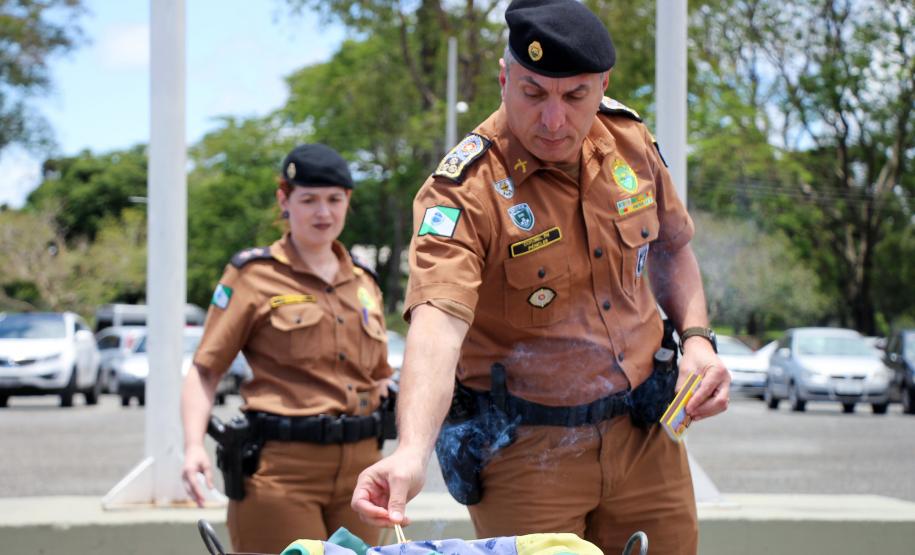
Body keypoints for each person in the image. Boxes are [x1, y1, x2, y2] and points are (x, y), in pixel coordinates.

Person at [351, 1, 730, 553]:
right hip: (526, 454)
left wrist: (697, 339)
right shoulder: (462, 190)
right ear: (504, 79)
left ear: (603, 86)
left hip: (646, 440)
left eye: (575, 96)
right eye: (533, 93)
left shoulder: (629, 140)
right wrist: (411, 452)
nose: (554, 120)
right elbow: (437, 323)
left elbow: (672, 247)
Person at [181, 143, 395, 553]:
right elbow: (206, 370)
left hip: (362, 471)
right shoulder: (253, 275)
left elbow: (381, 376)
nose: (323, 213)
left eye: (334, 200)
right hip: (283, 473)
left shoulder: (364, 281)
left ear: (348, 201)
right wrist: (193, 448)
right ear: (284, 200)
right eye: (309, 200)